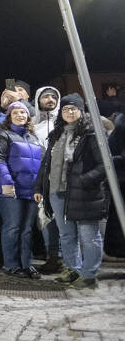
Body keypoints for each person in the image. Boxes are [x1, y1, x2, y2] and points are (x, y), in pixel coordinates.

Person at [34, 94, 108, 289]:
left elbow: (103, 166)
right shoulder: (57, 134)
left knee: (88, 235)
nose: (69, 112)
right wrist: (39, 186)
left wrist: (84, 181)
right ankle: (72, 269)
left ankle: (89, 273)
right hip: (57, 192)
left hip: (84, 193)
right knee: (66, 235)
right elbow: (46, 164)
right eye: (66, 109)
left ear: (81, 111)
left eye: (74, 108)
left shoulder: (91, 134)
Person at [0, 101, 43, 278]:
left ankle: (27, 263)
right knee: (12, 227)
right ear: (9, 116)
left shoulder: (34, 138)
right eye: (16, 113)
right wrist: (7, 183)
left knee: (27, 228)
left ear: (28, 116)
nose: (20, 115)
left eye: (23, 113)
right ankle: (11, 264)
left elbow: (41, 165)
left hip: (31, 189)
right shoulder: (2, 135)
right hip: (10, 189)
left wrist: (40, 187)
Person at [32, 85, 63, 274]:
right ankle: (53, 256)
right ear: (38, 100)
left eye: (54, 96)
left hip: (63, 177)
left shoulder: (64, 121)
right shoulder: (34, 124)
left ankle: (67, 258)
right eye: (46, 97)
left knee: (65, 220)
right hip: (41, 178)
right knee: (45, 219)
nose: (50, 100)